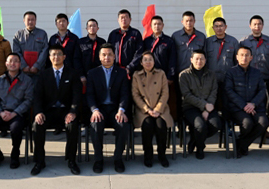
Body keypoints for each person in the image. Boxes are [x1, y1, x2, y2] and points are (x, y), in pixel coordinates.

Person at [31, 45, 82, 175]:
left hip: (66, 111)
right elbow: (37, 96)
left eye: (59, 54)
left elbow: (77, 96)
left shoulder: (73, 73)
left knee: (72, 125)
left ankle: (71, 160)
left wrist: (72, 112)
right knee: (37, 125)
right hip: (48, 111)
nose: (56, 57)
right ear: (49, 57)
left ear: (64, 57)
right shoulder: (43, 74)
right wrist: (38, 112)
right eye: (53, 54)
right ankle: (39, 161)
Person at [0, 52, 33, 170]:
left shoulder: (27, 80)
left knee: (16, 129)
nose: (13, 63)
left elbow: (28, 100)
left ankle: (15, 155)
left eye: (16, 61)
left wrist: (14, 113)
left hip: (17, 113)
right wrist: (0, 112)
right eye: (10, 61)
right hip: (1, 112)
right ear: (6, 64)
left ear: (20, 64)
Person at [86, 43, 131, 173]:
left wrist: (121, 110)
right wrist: (94, 110)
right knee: (95, 124)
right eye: (104, 55)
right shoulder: (92, 73)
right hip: (99, 109)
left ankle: (118, 159)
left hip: (115, 109)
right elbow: (89, 95)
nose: (107, 57)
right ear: (99, 57)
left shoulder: (121, 72)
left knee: (122, 124)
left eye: (110, 54)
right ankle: (98, 159)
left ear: (114, 56)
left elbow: (125, 94)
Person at [225, 46, 268, 158]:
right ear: (237, 57)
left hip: (255, 107)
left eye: (247, 55)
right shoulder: (231, 72)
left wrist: (253, 104)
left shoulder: (257, 73)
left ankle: (241, 144)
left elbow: (262, 90)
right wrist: (243, 105)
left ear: (251, 58)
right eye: (242, 55)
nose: (244, 57)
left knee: (263, 123)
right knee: (247, 123)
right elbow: (229, 91)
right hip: (237, 108)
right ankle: (243, 147)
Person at [132, 51, 173, 167]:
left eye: (150, 59)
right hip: (144, 110)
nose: (148, 62)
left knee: (161, 125)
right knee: (147, 125)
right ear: (141, 62)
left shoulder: (161, 74)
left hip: (160, 109)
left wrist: (158, 109)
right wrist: (147, 109)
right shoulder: (136, 75)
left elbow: (165, 93)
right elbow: (135, 95)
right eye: (145, 60)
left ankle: (162, 154)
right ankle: (148, 155)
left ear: (154, 61)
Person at [178, 50, 221, 159]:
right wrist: (204, 105)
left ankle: (194, 140)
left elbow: (213, 92)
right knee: (200, 126)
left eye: (201, 59)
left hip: (209, 107)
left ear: (205, 60)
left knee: (216, 125)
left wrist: (207, 109)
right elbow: (187, 95)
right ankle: (200, 148)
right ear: (191, 60)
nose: (199, 61)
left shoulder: (211, 75)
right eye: (196, 59)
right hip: (190, 107)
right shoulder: (184, 75)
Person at [204, 17, 239, 110]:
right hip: (211, 79)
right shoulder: (208, 42)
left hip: (227, 79)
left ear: (225, 27)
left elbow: (237, 62)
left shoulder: (233, 41)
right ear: (213, 28)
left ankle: (226, 118)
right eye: (216, 26)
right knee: (212, 103)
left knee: (226, 104)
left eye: (221, 26)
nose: (219, 28)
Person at [136, 15, 176, 84]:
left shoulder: (169, 41)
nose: (157, 26)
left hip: (163, 75)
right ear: (151, 26)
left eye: (159, 24)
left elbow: (172, 59)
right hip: (148, 75)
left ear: (163, 25)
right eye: (154, 24)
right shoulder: (146, 41)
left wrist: (170, 77)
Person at [239, 15, 269, 83]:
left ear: (262, 25)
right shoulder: (243, 42)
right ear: (250, 26)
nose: (257, 26)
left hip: (266, 78)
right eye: (254, 24)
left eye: (259, 24)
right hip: (248, 78)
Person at [12, 11, 49, 80]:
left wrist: (37, 66)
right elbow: (16, 52)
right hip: (23, 73)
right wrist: (23, 66)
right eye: (28, 20)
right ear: (24, 21)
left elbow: (44, 51)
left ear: (35, 21)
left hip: (38, 72)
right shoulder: (18, 35)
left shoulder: (42, 34)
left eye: (32, 20)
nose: (30, 22)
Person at [107, 9, 143, 76]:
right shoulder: (113, 34)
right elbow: (108, 51)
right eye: (122, 17)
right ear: (118, 20)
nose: (124, 19)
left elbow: (139, 52)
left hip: (132, 71)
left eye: (126, 17)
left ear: (130, 19)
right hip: (115, 70)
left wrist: (130, 67)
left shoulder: (135, 34)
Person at [78, 18, 106, 87]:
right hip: (85, 75)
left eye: (94, 26)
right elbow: (77, 59)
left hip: (99, 74)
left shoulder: (102, 42)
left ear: (98, 28)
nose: (92, 28)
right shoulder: (81, 42)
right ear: (86, 28)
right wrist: (81, 75)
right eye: (90, 26)